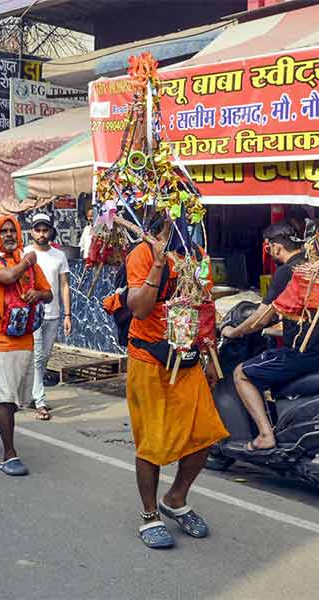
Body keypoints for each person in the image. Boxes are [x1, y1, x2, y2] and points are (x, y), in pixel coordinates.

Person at [125, 214, 227, 549]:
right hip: (149, 361)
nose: (184, 218)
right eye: (176, 211)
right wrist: (157, 262)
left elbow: (205, 307)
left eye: (190, 211)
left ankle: (176, 497)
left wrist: (210, 354)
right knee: (152, 442)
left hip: (187, 361)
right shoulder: (141, 253)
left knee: (205, 434)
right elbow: (139, 309)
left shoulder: (196, 255)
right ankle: (150, 514)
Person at [222, 222, 319, 452]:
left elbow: (261, 318)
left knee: (241, 374)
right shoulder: (314, 267)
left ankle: (266, 435)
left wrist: (233, 331)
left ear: (275, 248)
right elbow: (295, 311)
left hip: (302, 354)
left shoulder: (288, 272)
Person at [0, 216, 52, 476]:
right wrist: (27, 261)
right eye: (4, 231)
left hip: (24, 338)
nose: (9, 235)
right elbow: (7, 277)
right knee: (7, 400)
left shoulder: (28, 263)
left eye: (13, 231)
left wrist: (38, 294)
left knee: (16, 401)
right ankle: (10, 455)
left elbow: (49, 293)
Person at [24, 212, 72, 420]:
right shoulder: (24, 254)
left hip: (53, 314)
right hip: (31, 313)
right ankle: (40, 400)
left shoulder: (59, 256)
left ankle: (31, 394)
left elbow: (64, 285)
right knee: (35, 357)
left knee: (43, 357)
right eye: (38, 230)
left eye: (45, 230)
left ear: (51, 231)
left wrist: (67, 315)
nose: (42, 234)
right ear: (32, 231)